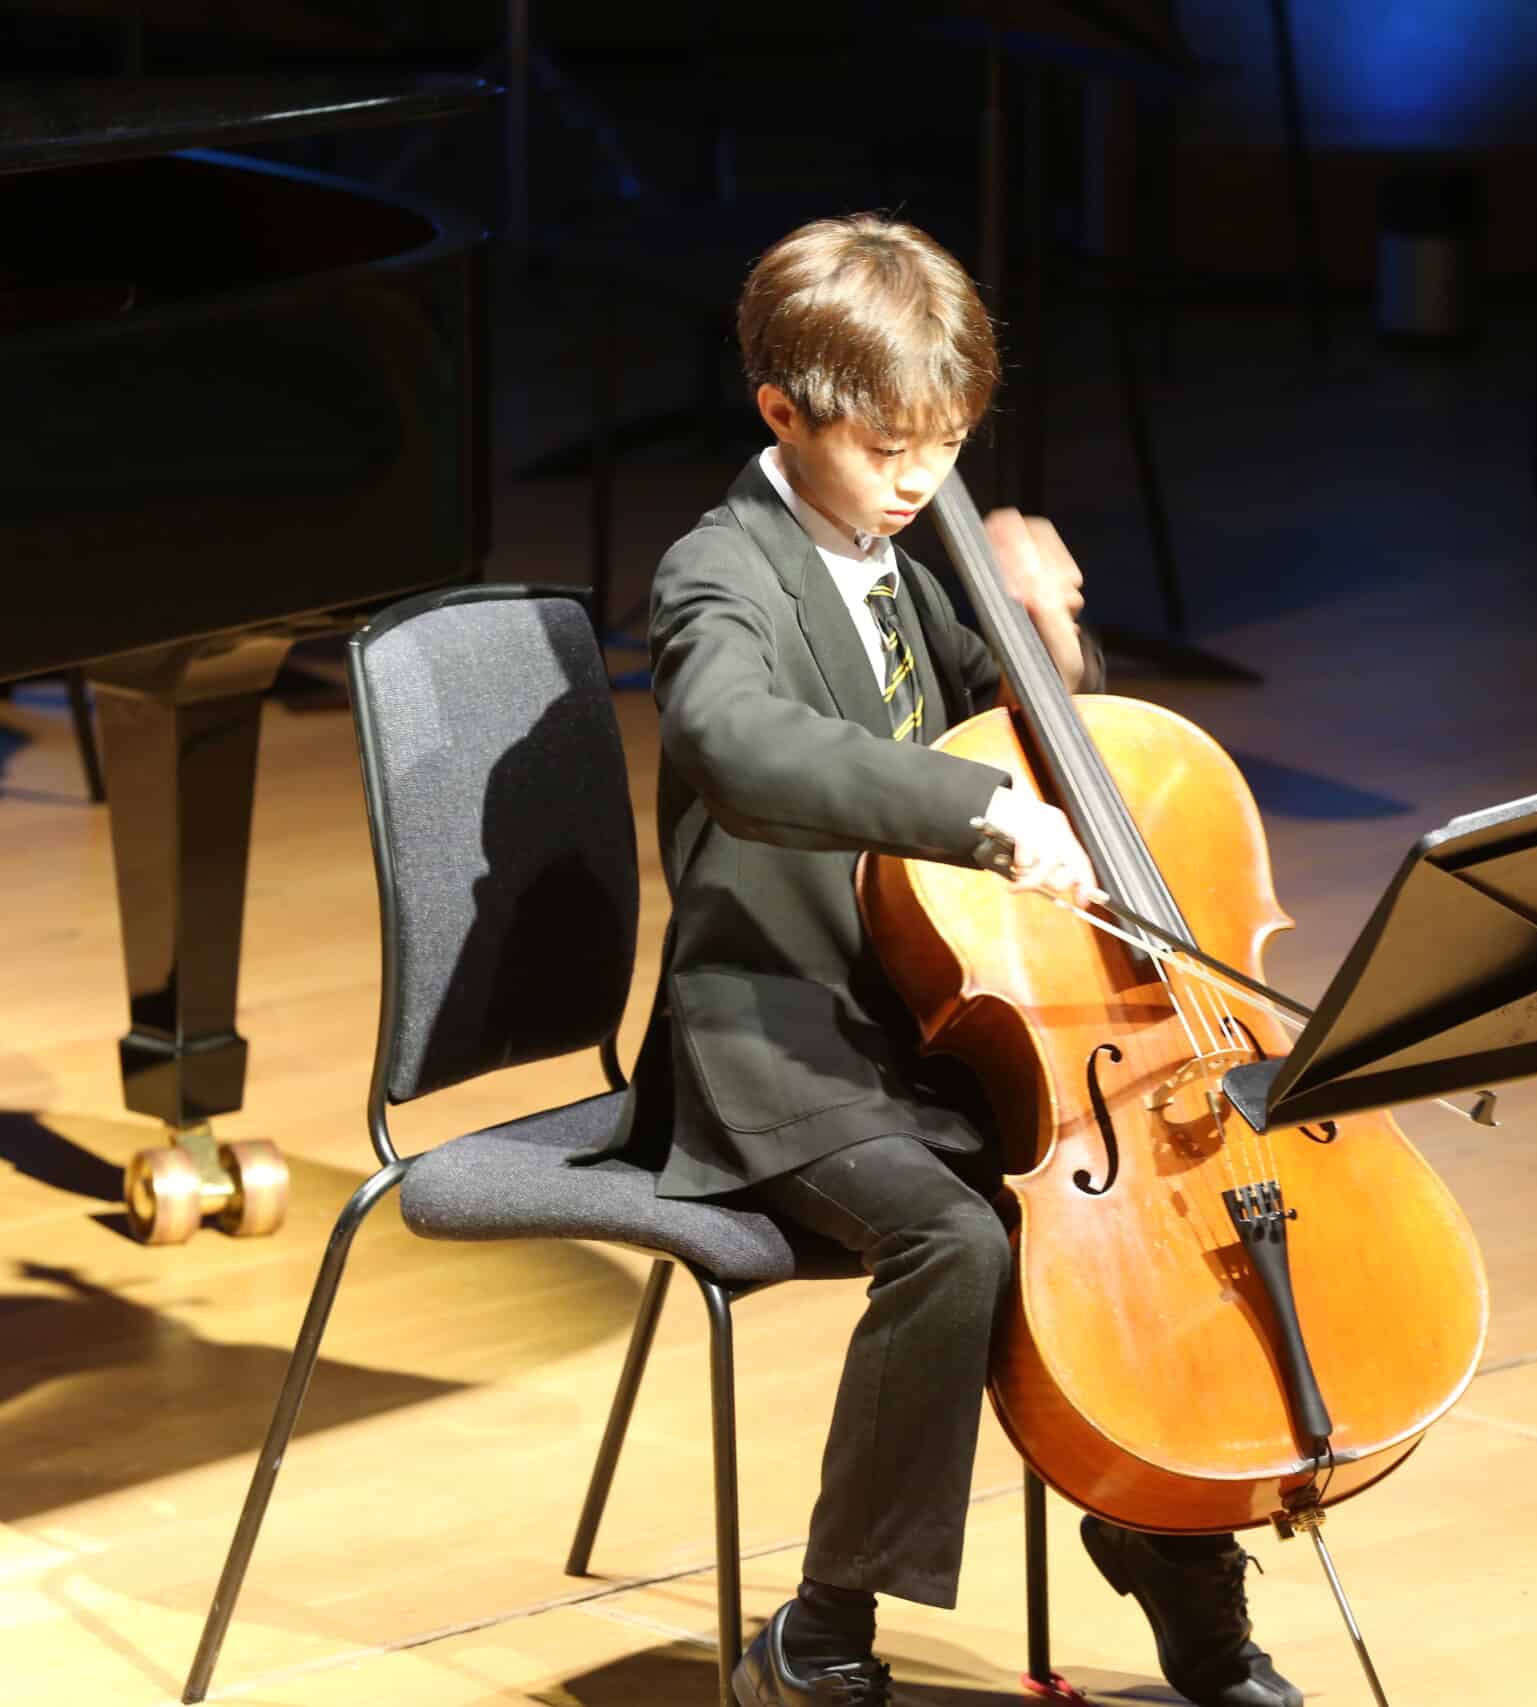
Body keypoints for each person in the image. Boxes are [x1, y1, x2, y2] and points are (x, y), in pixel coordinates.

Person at [580, 214, 1302, 1707]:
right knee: (957, 1240)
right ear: (784, 412)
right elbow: (733, 739)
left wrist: (1044, 629)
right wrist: (981, 811)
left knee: (1139, 1223)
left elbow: (1027, 720)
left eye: (950, 447)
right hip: (782, 1040)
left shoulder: (909, 561)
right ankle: (819, 1631)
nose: (921, 482)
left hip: (942, 1022)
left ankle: (1162, 1530)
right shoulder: (721, 571)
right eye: (888, 449)